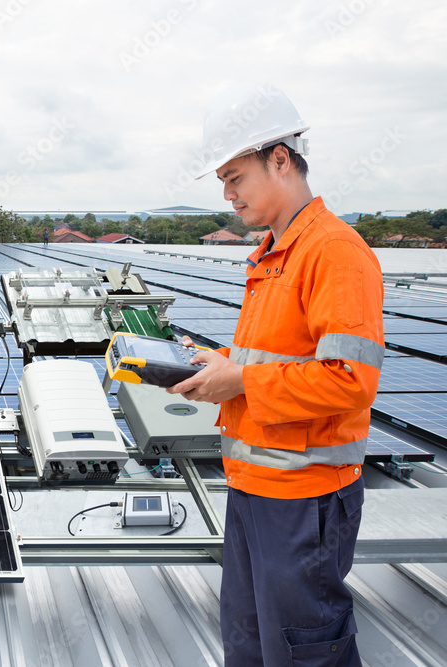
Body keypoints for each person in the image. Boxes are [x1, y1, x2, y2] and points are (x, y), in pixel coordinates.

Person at [167, 83, 383, 666]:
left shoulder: (334, 252)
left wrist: (239, 382)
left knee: (303, 649)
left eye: (235, 178)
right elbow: (274, 363)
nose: (228, 196)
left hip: (304, 498)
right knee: (249, 643)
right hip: (255, 487)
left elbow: (349, 380)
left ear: (280, 160)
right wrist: (223, 368)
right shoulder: (271, 255)